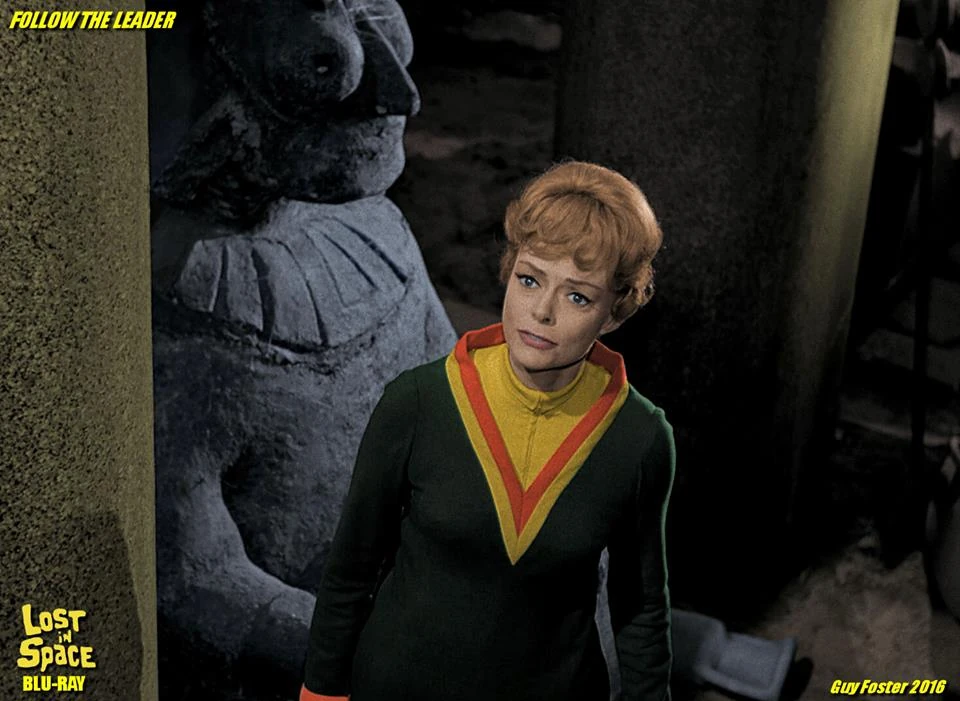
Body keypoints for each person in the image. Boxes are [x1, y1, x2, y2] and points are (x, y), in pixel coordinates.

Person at [299, 160, 675, 701]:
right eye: (529, 279)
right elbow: (350, 570)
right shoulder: (418, 402)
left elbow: (640, 608)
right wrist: (320, 693)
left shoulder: (638, 439)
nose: (540, 312)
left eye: (577, 296)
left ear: (614, 313)